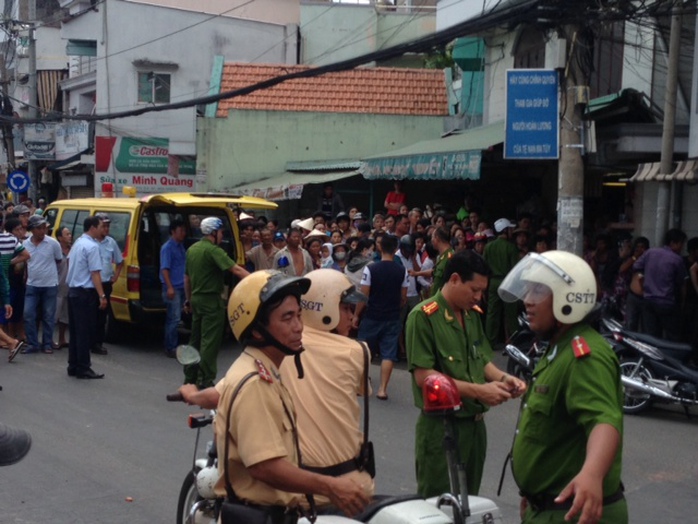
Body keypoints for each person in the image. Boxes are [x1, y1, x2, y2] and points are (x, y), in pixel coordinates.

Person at [179, 269, 375, 513]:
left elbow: (218, 395)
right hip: (279, 508)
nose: (298, 327)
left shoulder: (269, 369)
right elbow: (264, 466)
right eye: (287, 318)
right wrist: (331, 486)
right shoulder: (255, 382)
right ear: (258, 330)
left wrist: (191, 395)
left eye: (299, 316)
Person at [498, 251, 627, 524]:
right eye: (528, 290)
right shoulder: (560, 346)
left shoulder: (585, 356)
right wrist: (536, 497)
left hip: (574, 513)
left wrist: (591, 474)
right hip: (550, 508)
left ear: (570, 298)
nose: (527, 301)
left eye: (539, 291)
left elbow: (604, 420)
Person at [407, 250, 526, 498]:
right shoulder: (423, 316)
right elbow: (424, 377)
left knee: (469, 501)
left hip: (475, 427)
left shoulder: (471, 315)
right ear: (454, 280)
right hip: (441, 427)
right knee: (437, 503)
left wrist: (504, 378)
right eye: (474, 290)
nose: (478, 297)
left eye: (482, 291)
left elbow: (481, 358)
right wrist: (480, 391)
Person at [184, 217, 250, 388]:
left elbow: (187, 278)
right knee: (210, 342)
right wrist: (258, 280)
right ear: (213, 232)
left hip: (196, 300)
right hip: (211, 301)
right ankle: (205, 379)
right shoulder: (214, 250)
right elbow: (235, 269)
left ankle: (190, 376)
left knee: (195, 340)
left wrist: (188, 299)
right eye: (221, 232)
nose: (222, 235)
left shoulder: (192, 249)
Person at [353, 234, 407, 400]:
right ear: (395, 249)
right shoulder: (402, 270)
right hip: (392, 316)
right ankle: (382, 389)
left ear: (380, 248)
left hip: (372, 315)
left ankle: (362, 383)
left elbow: (364, 294)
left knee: (364, 350)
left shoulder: (371, 269)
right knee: (389, 353)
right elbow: (403, 297)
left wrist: (356, 315)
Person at [66, 215, 109, 379]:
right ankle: (83, 366)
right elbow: (95, 273)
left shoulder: (78, 243)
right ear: (92, 227)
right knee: (85, 332)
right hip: (85, 293)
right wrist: (102, 295)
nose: (102, 230)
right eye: (100, 226)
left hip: (74, 291)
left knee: (76, 331)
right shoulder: (92, 246)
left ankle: (73, 365)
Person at [633, 228, 688, 341]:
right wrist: (682, 302)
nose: (682, 247)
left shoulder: (650, 252)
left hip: (648, 300)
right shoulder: (677, 260)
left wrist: (644, 278)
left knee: (651, 336)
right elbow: (681, 281)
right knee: (672, 336)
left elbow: (636, 266)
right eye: (681, 243)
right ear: (673, 242)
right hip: (666, 302)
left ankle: (651, 358)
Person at [21, 215, 62, 354]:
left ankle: (47, 343)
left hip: (50, 284)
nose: (42, 231)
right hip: (32, 284)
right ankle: (33, 343)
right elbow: (24, 263)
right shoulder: (25, 245)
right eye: (39, 228)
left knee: (48, 315)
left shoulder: (53, 243)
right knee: (28, 314)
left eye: (44, 228)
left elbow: (58, 260)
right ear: (32, 230)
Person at [483, 218, 520, 346]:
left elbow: (484, 267)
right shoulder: (511, 247)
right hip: (508, 282)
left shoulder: (488, 247)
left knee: (492, 313)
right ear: (505, 230)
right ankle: (515, 341)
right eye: (510, 229)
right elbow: (515, 269)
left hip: (492, 282)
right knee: (511, 313)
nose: (512, 231)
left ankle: (490, 341)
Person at [93, 213, 124, 355]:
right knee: (89, 315)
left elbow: (120, 261)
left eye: (108, 226)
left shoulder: (110, 242)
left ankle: (98, 343)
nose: (106, 229)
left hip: (105, 283)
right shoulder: (89, 242)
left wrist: (115, 277)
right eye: (103, 226)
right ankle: (89, 341)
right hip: (91, 285)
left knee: (101, 315)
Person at [160, 219, 187, 358]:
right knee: (174, 319)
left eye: (184, 230)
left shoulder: (181, 246)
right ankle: (170, 346)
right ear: (173, 231)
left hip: (181, 287)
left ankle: (173, 344)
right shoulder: (168, 247)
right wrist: (169, 287)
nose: (183, 233)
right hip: (173, 288)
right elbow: (164, 269)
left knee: (176, 318)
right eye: (180, 230)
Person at [54, 226, 72, 350]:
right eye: (67, 234)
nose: (70, 236)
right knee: (53, 314)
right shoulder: (56, 251)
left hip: (69, 286)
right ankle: (48, 340)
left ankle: (62, 339)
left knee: (65, 315)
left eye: (70, 234)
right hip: (56, 287)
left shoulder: (73, 250)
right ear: (60, 237)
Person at [430, 227, 454, 297]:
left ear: (437, 238)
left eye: (432, 237)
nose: (431, 240)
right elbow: (434, 272)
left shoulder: (451, 257)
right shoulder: (441, 257)